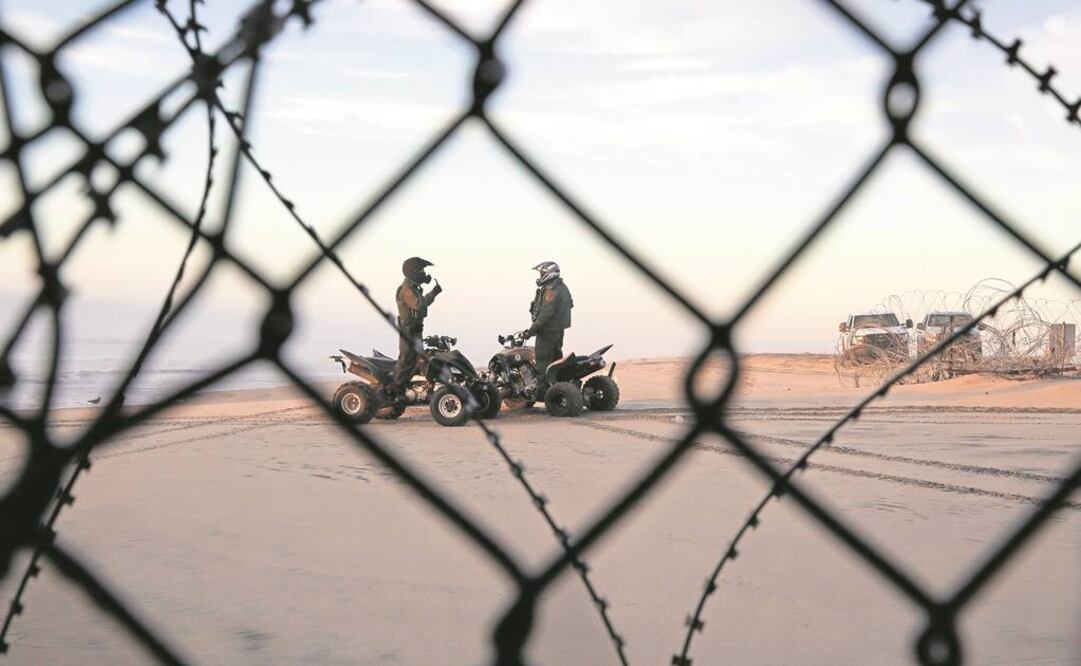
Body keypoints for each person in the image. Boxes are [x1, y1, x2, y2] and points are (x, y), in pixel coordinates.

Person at [391, 257, 442, 394]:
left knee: (417, 360)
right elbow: (418, 304)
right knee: (406, 359)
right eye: (421, 270)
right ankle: (394, 390)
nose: (424, 273)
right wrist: (434, 293)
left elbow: (421, 304)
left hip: (416, 329)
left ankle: (415, 389)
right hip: (409, 330)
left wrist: (431, 291)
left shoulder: (414, 287)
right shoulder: (407, 289)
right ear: (413, 272)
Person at [522, 261, 573, 392]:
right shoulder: (562, 287)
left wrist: (531, 331)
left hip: (547, 332)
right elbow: (569, 305)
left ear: (550, 273)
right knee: (556, 361)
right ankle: (559, 388)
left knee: (543, 363)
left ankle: (544, 391)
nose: (540, 275)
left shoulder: (551, 290)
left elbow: (546, 314)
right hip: (558, 331)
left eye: (542, 273)